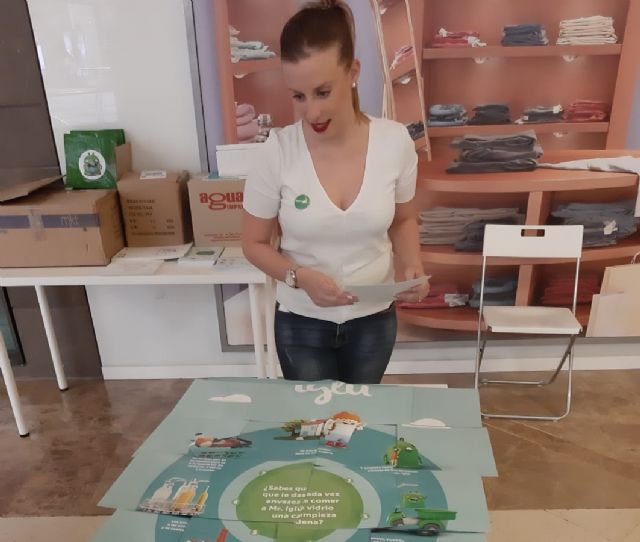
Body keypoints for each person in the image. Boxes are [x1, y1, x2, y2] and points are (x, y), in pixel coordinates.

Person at [242, 0, 428, 384]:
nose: (311, 112)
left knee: (360, 415)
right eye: (298, 96)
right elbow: (253, 243)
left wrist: (413, 266)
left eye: (323, 92)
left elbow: (403, 218)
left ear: (353, 72)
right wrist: (297, 276)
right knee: (312, 420)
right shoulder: (277, 152)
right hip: (301, 322)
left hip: (374, 319)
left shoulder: (394, 142)